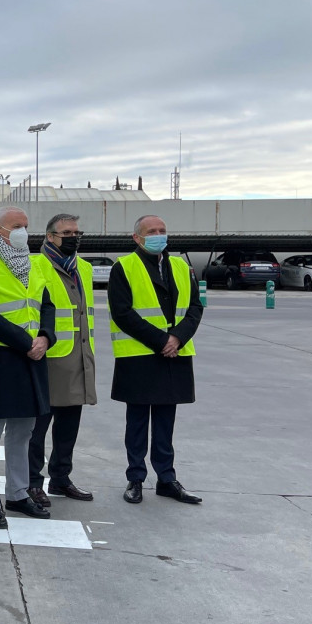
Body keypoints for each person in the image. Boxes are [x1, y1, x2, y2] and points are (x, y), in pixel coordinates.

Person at [0, 206, 56, 528]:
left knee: (24, 430)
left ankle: (18, 494)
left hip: (34, 354)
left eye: (26, 226)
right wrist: (25, 342)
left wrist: (46, 337)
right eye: (16, 226)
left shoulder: (36, 262)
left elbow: (46, 305)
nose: (23, 231)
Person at [109, 215, 204, 505]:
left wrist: (177, 338)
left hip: (174, 355)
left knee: (165, 421)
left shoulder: (181, 267)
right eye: (152, 231)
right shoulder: (123, 267)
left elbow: (195, 308)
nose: (159, 235)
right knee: (137, 421)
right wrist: (163, 341)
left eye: (162, 230)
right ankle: (135, 478)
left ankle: (166, 479)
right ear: (136, 237)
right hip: (139, 355)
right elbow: (123, 313)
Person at [28, 213, 97, 505]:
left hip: (78, 356)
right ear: (50, 236)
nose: (74, 237)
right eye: (67, 232)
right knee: (36, 428)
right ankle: (32, 482)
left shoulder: (84, 268)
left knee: (69, 425)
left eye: (77, 232)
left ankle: (60, 478)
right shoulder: (34, 265)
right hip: (47, 356)